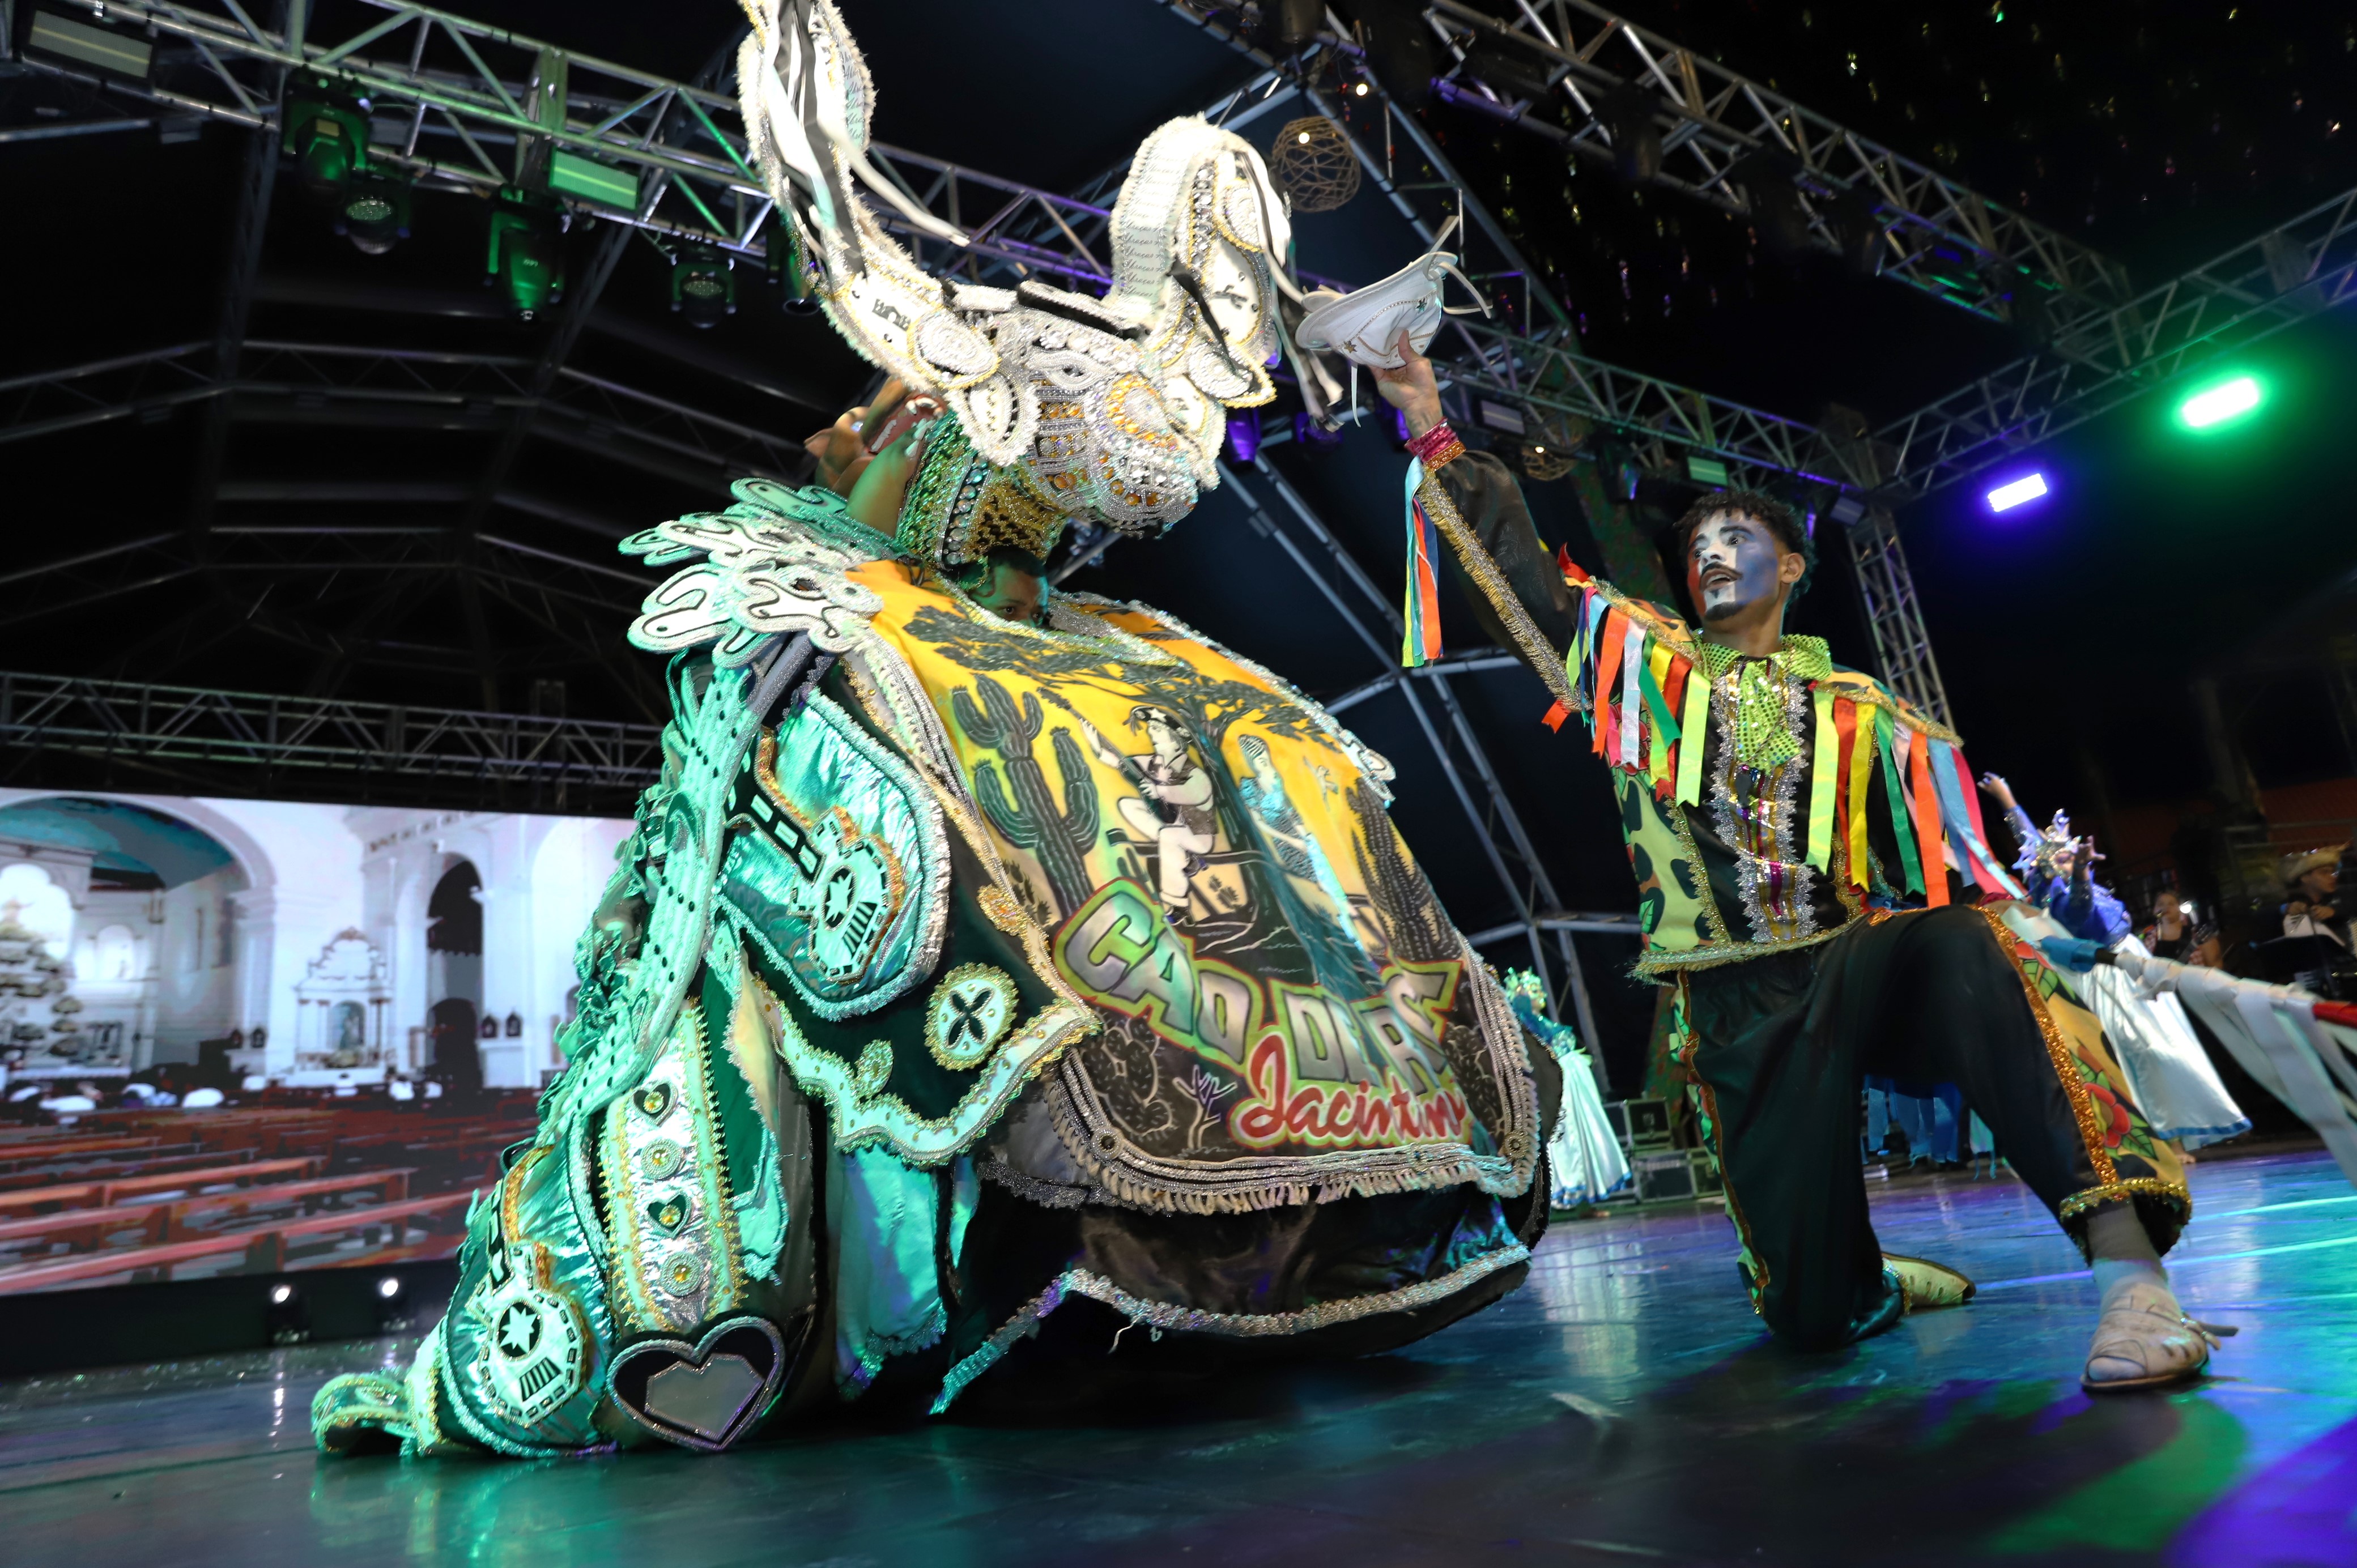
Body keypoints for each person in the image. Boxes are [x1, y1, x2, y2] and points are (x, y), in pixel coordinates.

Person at [313, 7, 1554, 1459]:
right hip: (921, 647)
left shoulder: (1062, 489)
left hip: (1041, 650)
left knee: (1266, 741)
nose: (885, 422)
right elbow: (870, 549)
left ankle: (1340, 1132)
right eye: (880, 420)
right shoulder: (848, 544)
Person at [1373, 334, 2216, 1390]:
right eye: (1698, 546)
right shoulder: (1637, 661)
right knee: (1810, 1318)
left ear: (1793, 567)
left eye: (1738, 536)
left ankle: (2133, 1280)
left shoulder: (1864, 710)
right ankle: (1862, 1280)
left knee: (1968, 941)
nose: (1711, 554)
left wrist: (2061, 911)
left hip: (1855, 961)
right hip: (1736, 1001)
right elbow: (1523, 581)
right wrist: (1428, 419)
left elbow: (1949, 864)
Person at [1979, 778, 2249, 1158]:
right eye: (2063, 858)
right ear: (2048, 869)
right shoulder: (2061, 900)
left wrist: (2007, 798)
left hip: (2135, 963)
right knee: (2141, 1052)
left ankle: (2173, 1135)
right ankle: (2161, 1142)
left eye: (2073, 855)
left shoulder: (2078, 882)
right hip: (2110, 975)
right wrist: (2080, 871)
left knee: (2167, 1048)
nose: (2072, 858)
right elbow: (2081, 903)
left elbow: (2032, 840)